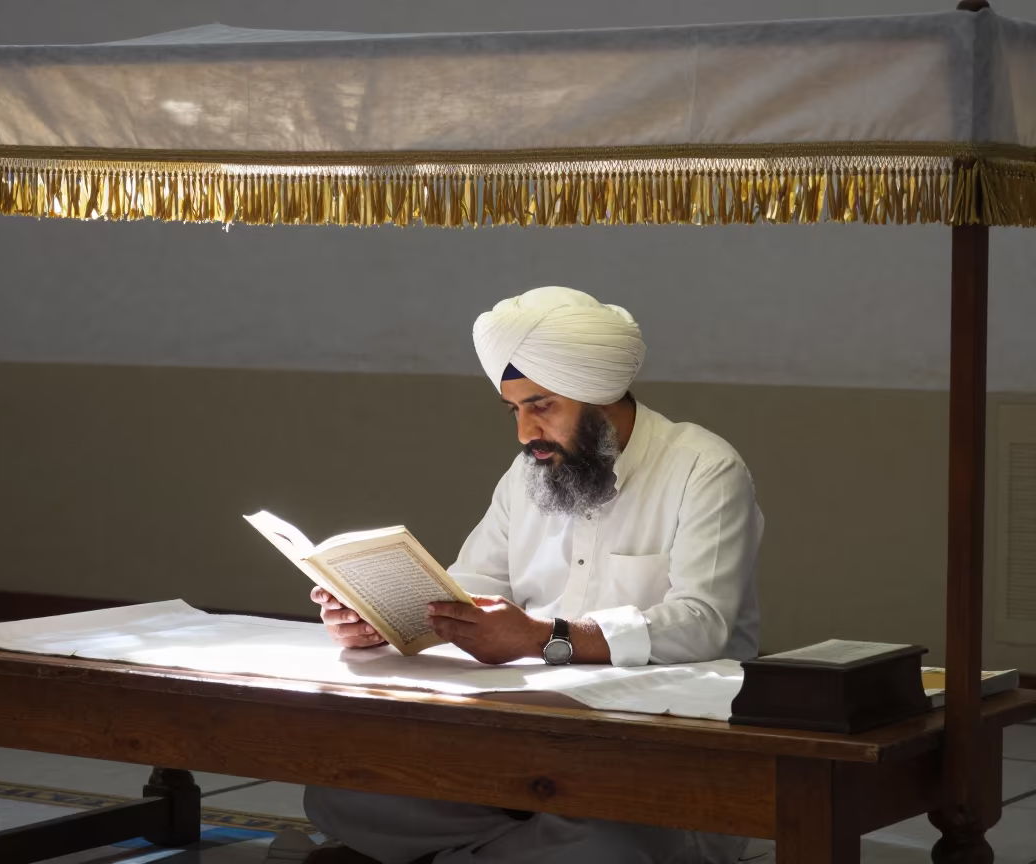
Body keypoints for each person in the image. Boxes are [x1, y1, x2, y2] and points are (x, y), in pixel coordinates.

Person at [305, 286, 764, 864]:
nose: (525, 434)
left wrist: (544, 638)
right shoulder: (527, 477)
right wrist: (381, 618)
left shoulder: (704, 466)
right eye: (514, 410)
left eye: (542, 406)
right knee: (337, 794)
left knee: (600, 848)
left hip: (654, 749)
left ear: (598, 395)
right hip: (520, 743)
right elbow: (470, 591)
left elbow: (704, 626)